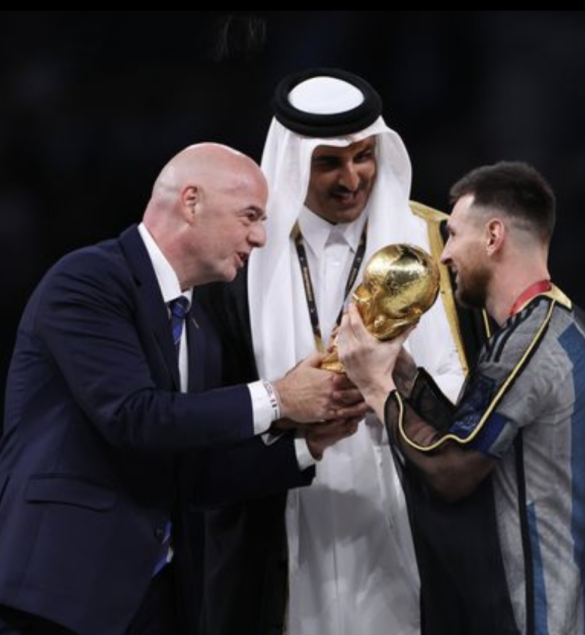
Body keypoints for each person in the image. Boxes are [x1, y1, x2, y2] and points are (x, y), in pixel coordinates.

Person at [0, 143, 365, 635]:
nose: (260, 237)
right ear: (191, 202)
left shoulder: (199, 330)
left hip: (155, 603)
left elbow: (193, 475)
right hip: (52, 591)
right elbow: (133, 417)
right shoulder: (88, 281)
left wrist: (306, 445)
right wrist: (278, 397)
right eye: (250, 216)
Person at [198, 69, 476, 635]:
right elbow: (208, 419)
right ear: (296, 164)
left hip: (402, 512)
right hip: (279, 520)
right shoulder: (239, 264)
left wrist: (394, 384)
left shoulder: (438, 246)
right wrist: (289, 408)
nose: (352, 179)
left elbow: (473, 392)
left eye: (364, 156)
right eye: (329, 163)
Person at [337, 161, 585, 635]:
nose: (444, 257)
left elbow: (452, 469)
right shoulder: (552, 328)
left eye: (451, 235)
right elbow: (473, 435)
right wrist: (404, 378)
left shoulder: (533, 343)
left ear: (493, 236)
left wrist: (374, 385)